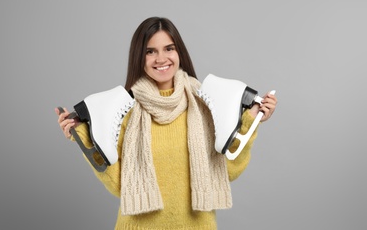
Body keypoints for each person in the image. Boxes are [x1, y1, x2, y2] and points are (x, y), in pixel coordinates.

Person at [55, 17, 277, 229]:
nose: (161, 59)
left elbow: (228, 170)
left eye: (169, 48)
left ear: (179, 52)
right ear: (139, 58)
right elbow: (119, 185)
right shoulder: (124, 111)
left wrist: (250, 121)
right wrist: (83, 137)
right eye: (150, 52)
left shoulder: (205, 106)